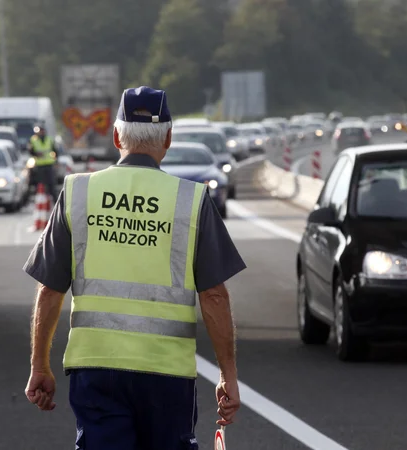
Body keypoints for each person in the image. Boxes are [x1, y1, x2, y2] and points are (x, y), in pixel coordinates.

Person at [22, 86, 245, 449]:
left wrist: (39, 365)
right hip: (166, 373)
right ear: (168, 138)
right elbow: (215, 296)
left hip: (95, 367)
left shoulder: (78, 192)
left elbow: (50, 288)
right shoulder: (192, 200)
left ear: (116, 136)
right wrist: (228, 375)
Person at [28, 124, 59, 203]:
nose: (41, 133)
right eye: (39, 131)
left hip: (49, 164)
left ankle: (55, 201)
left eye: (42, 131)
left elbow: (55, 151)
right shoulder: (33, 140)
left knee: (51, 184)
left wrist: (56, 161)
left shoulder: (49, 139)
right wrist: (36, 154)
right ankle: (41, 202)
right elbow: (30, 151)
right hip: (39, 165)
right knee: (41, 185)